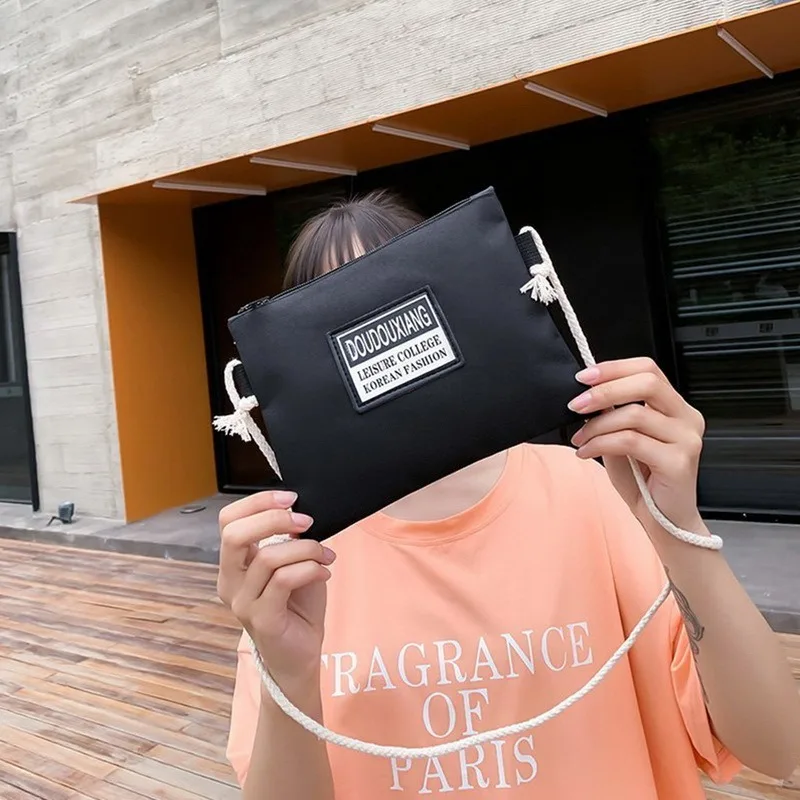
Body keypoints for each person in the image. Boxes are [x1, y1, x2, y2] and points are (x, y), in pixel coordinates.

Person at [218, 190, 800, 799]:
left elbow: (776, 748)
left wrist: (677, 528)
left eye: (394, 298)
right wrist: (289, 672)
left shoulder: (596, 491)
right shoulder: (294, 571)